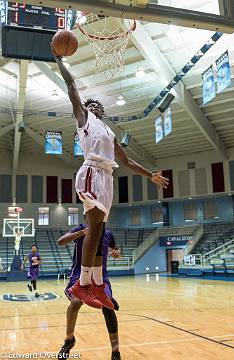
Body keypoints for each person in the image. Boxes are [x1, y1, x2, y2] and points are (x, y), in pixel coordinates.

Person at [52, 47, 169, 309]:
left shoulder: (108, 131)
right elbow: (71, 84)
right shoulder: (84, 120)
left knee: (101, 230)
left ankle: (97, 284)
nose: (91, 106)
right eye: (88, 104)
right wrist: (59, 61)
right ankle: (82, 284)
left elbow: (126, 162)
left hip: (107, 177)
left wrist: (150, 175)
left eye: (95, 105)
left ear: (102, 111)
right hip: (91, 171)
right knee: (94, 229)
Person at [57, 224, 121, 360]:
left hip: (100, 277)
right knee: (76, 302)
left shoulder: (108, 234)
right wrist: (81, 233)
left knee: (108, 307)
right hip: (79, 275)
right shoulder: (80, 228)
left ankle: (115, 351)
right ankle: (69, 339)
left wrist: (116, 253)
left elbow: (115, 249)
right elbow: (61, 241)